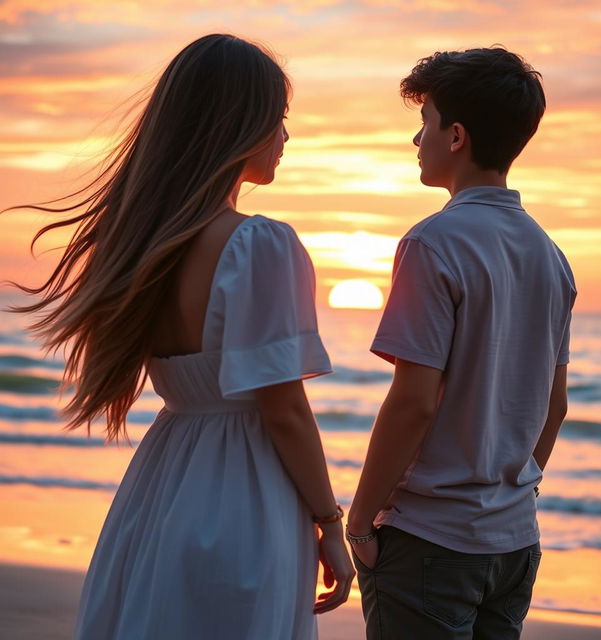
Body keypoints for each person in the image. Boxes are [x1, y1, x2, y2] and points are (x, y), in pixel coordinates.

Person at [7, 34, 354, 639]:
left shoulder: (142, 243)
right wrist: (330, 521)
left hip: (162, 484)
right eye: (279, 119)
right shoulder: (259, 245)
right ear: (239, 124)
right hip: (246, 491)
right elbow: (284, 409)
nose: (286, 136)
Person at [347, 47, 576, 639]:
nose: (414, 140)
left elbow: (415, 401)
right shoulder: (551, 257)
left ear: (455, 136)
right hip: (514, 543)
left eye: (423, 124)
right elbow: (555, 405)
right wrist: (508, 493)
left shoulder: (433, 244)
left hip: (431, 542)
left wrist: (360, 521)